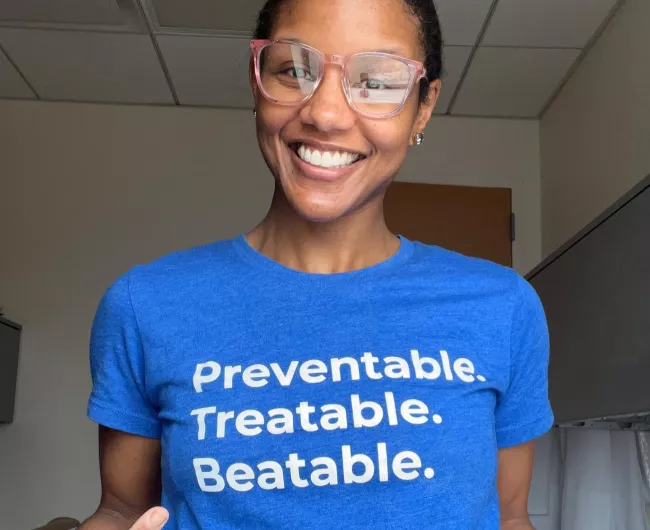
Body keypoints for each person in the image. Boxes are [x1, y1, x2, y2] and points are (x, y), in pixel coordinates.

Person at [81, 0, 553, 528]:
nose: (326, 114)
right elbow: (121, 510)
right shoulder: (145, 306)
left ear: (422, 107)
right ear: (258, 82)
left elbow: (510, 518)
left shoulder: (503, 307)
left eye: (377, 81)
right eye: (293, 70)